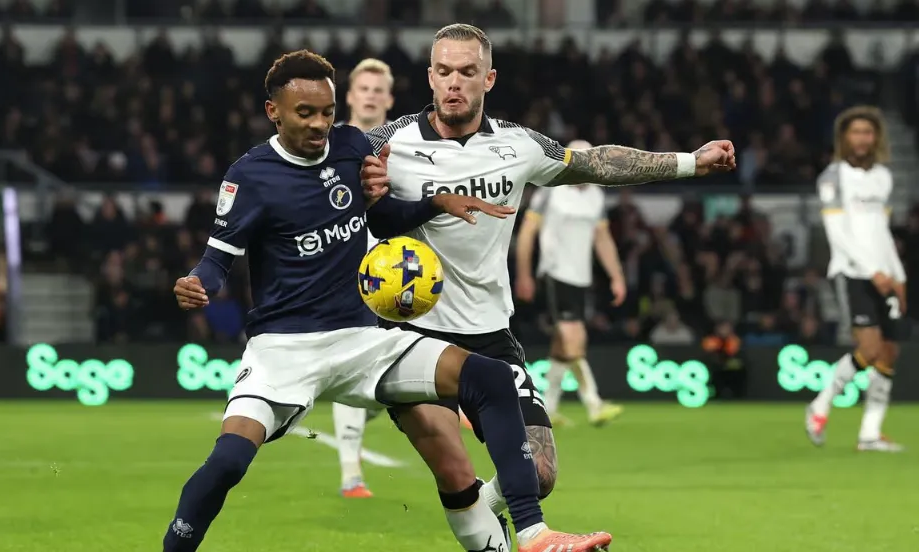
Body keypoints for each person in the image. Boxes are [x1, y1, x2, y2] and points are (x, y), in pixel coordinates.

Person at [162, 49, 613, 552]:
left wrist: (434, 203)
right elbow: (215, 261)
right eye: (304, 114)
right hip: (284, 349)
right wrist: (196, 282)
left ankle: (532, 532)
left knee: (487, 377)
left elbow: (381, 220)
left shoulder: (352, 146)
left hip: (362, 338)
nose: (319, 125)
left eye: (327, 113)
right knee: (227, 462)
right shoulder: (249, 175)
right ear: (274, 111)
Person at [360, 22, 735, 551]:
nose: (454, 83)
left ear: (488, 78)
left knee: (537, 473)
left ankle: (499, 521)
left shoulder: (518, 144)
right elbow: (321, 166)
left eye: (467, 72)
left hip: (490, 332)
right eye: (444, 71)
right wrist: (355, 179)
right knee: (454, 469)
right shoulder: (387, 143)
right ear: (429, 76)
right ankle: (521, 533)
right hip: (413, 335)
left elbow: (596, 162)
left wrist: (691, 162)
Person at [806, 106, 906, 452]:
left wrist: (898, 275)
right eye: (855, 132)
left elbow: (882, 230)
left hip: (885, 273)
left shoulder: (882, 177)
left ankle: (870, 434)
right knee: (870, 349)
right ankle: (820, 404)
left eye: (868, 131)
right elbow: (838, 233)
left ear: (875, 137)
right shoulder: (833, 177)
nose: (862, 138)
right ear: (844, 138)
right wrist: (873, 270)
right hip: (852, 272)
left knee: (889, 353)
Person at [514, 139, 626, 427]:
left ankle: (547, 407)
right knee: (575, 338)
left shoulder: (596, 196)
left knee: (563, 346)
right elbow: (527, 233)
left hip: (581, 276)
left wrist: (616, 275)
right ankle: (594, 403)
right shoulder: (550, 190)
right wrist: (524, 274)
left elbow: (602, 238)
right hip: (555, 272)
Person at [331, 57, 396, 499]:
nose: (371, 95)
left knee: (382, 385)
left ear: (389, 99)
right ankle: (351, 473)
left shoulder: (407, 142)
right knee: (350, 363)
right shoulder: (332, 144)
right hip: (346, 270)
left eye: (379, 89)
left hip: (398, 272)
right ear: (350, 96)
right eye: (364, 88)